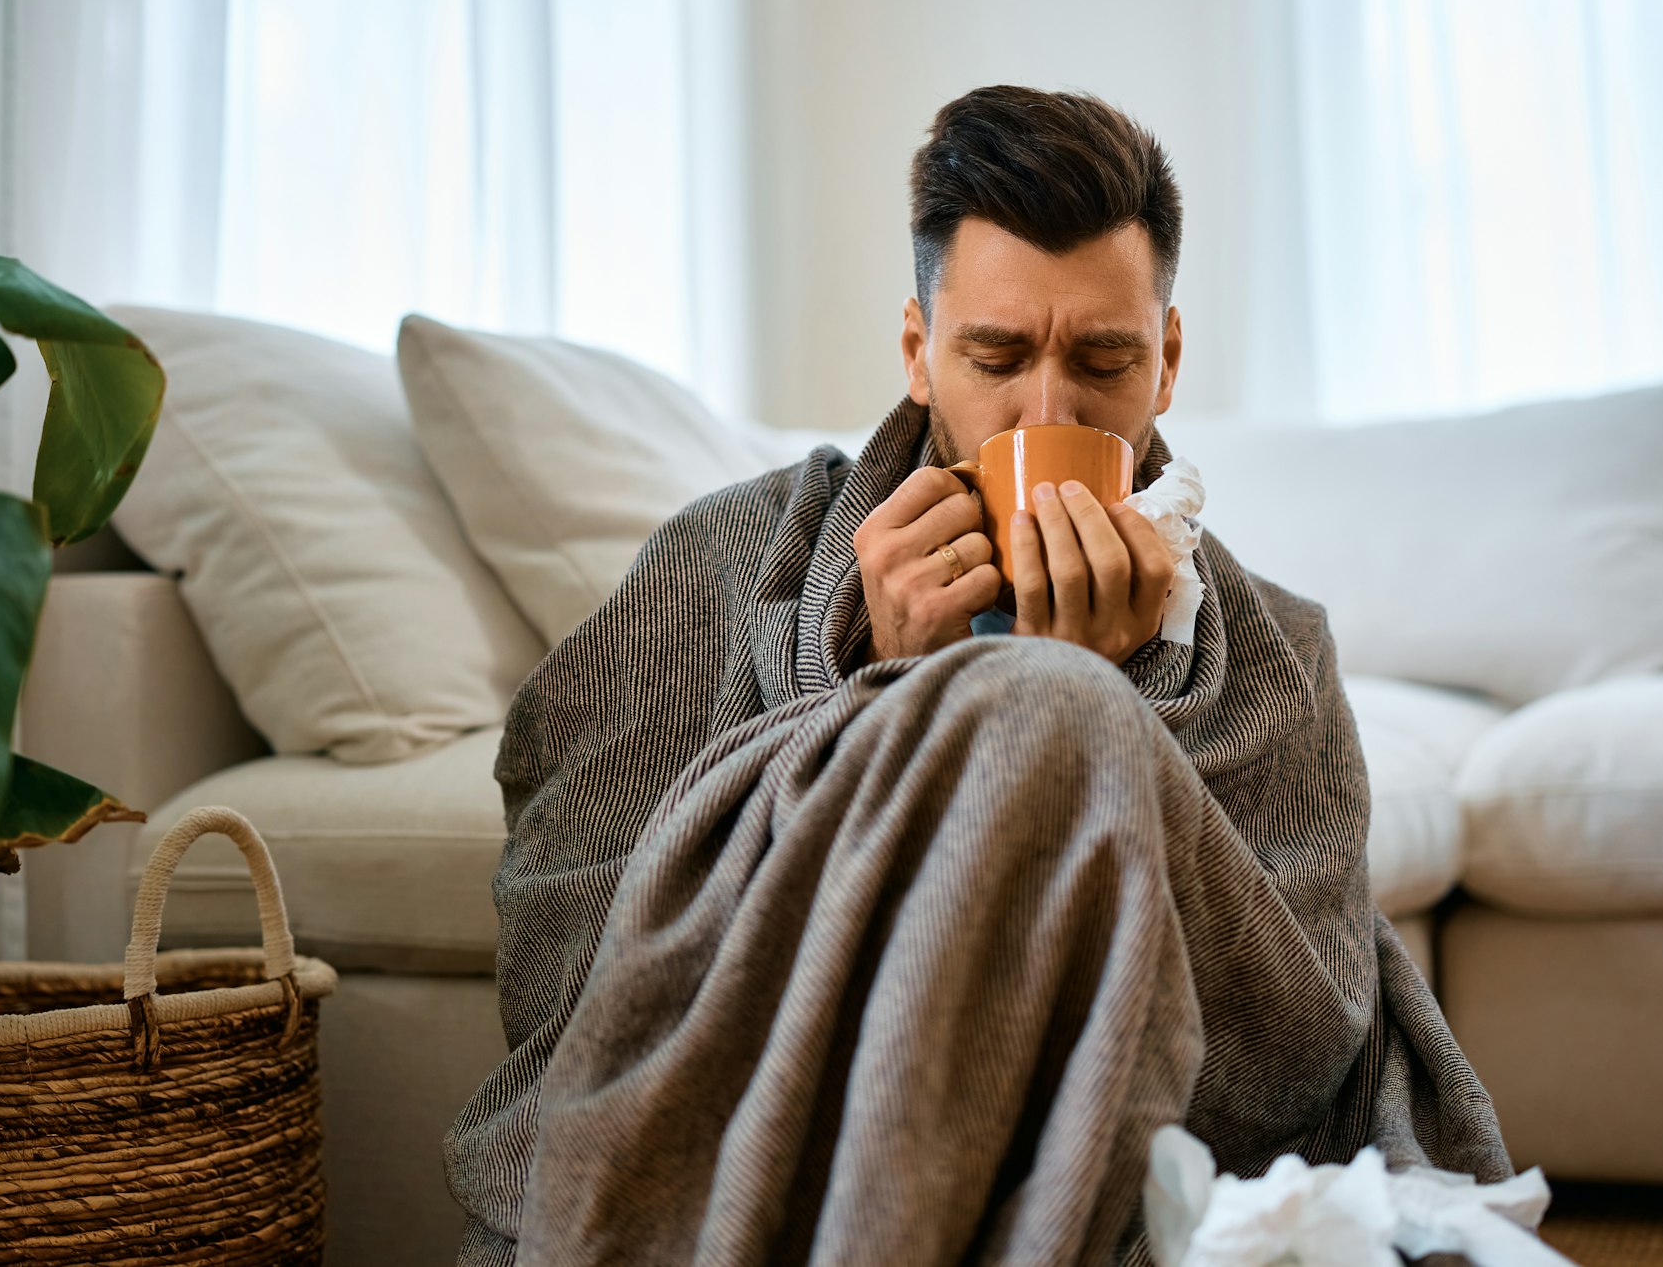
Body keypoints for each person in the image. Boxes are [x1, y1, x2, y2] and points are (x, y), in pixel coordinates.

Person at [446, 85, 1510, 1267]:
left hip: (1111, 1152)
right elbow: (571, 961)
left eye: (1102, 359)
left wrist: (1109, 716)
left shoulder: (1278, 660)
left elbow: (1285, 1068)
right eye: (992, 356)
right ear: (917, 351)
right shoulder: (717, 565)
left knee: (1054, 709)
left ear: (1165, 361)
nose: (1041, 409)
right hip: (784, 1108)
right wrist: (883, 692)